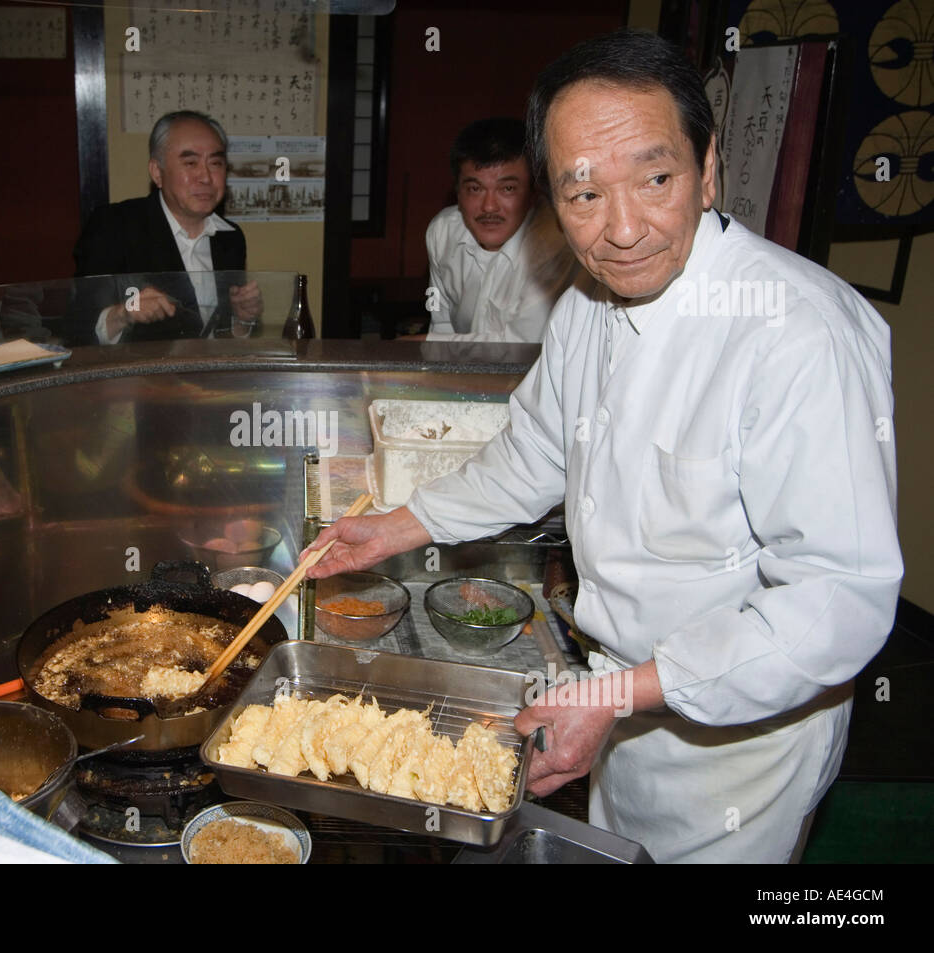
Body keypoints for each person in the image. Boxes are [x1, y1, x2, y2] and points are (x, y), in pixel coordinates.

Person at [306, 30, 902, 863]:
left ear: (709, 165)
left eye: (656, 179)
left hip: (740, 742)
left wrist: (621, 692)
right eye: (583, 195)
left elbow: (837, 602)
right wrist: (400, 524)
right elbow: (536, 452)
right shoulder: (588, 301)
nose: (624, 228)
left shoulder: (798, 332)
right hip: (613, 697)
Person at [72, 110, 262, 343]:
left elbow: (220, 338)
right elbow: (78, 325)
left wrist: (242, 319)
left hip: (208, 376)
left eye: (216, 163)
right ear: (157, 173)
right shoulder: (115, 226)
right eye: (190, 163)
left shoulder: (230, 238)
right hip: (138, 375)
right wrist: (124, 313)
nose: (206, 177)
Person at [422, 118, 578, 342]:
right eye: (475, 189)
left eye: (507, 189)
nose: (489, 206)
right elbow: (442, 324)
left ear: (534, 193)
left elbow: (524, 345)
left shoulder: (554, 240)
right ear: (457, 191)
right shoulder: (442, 233)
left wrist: (428, 344)